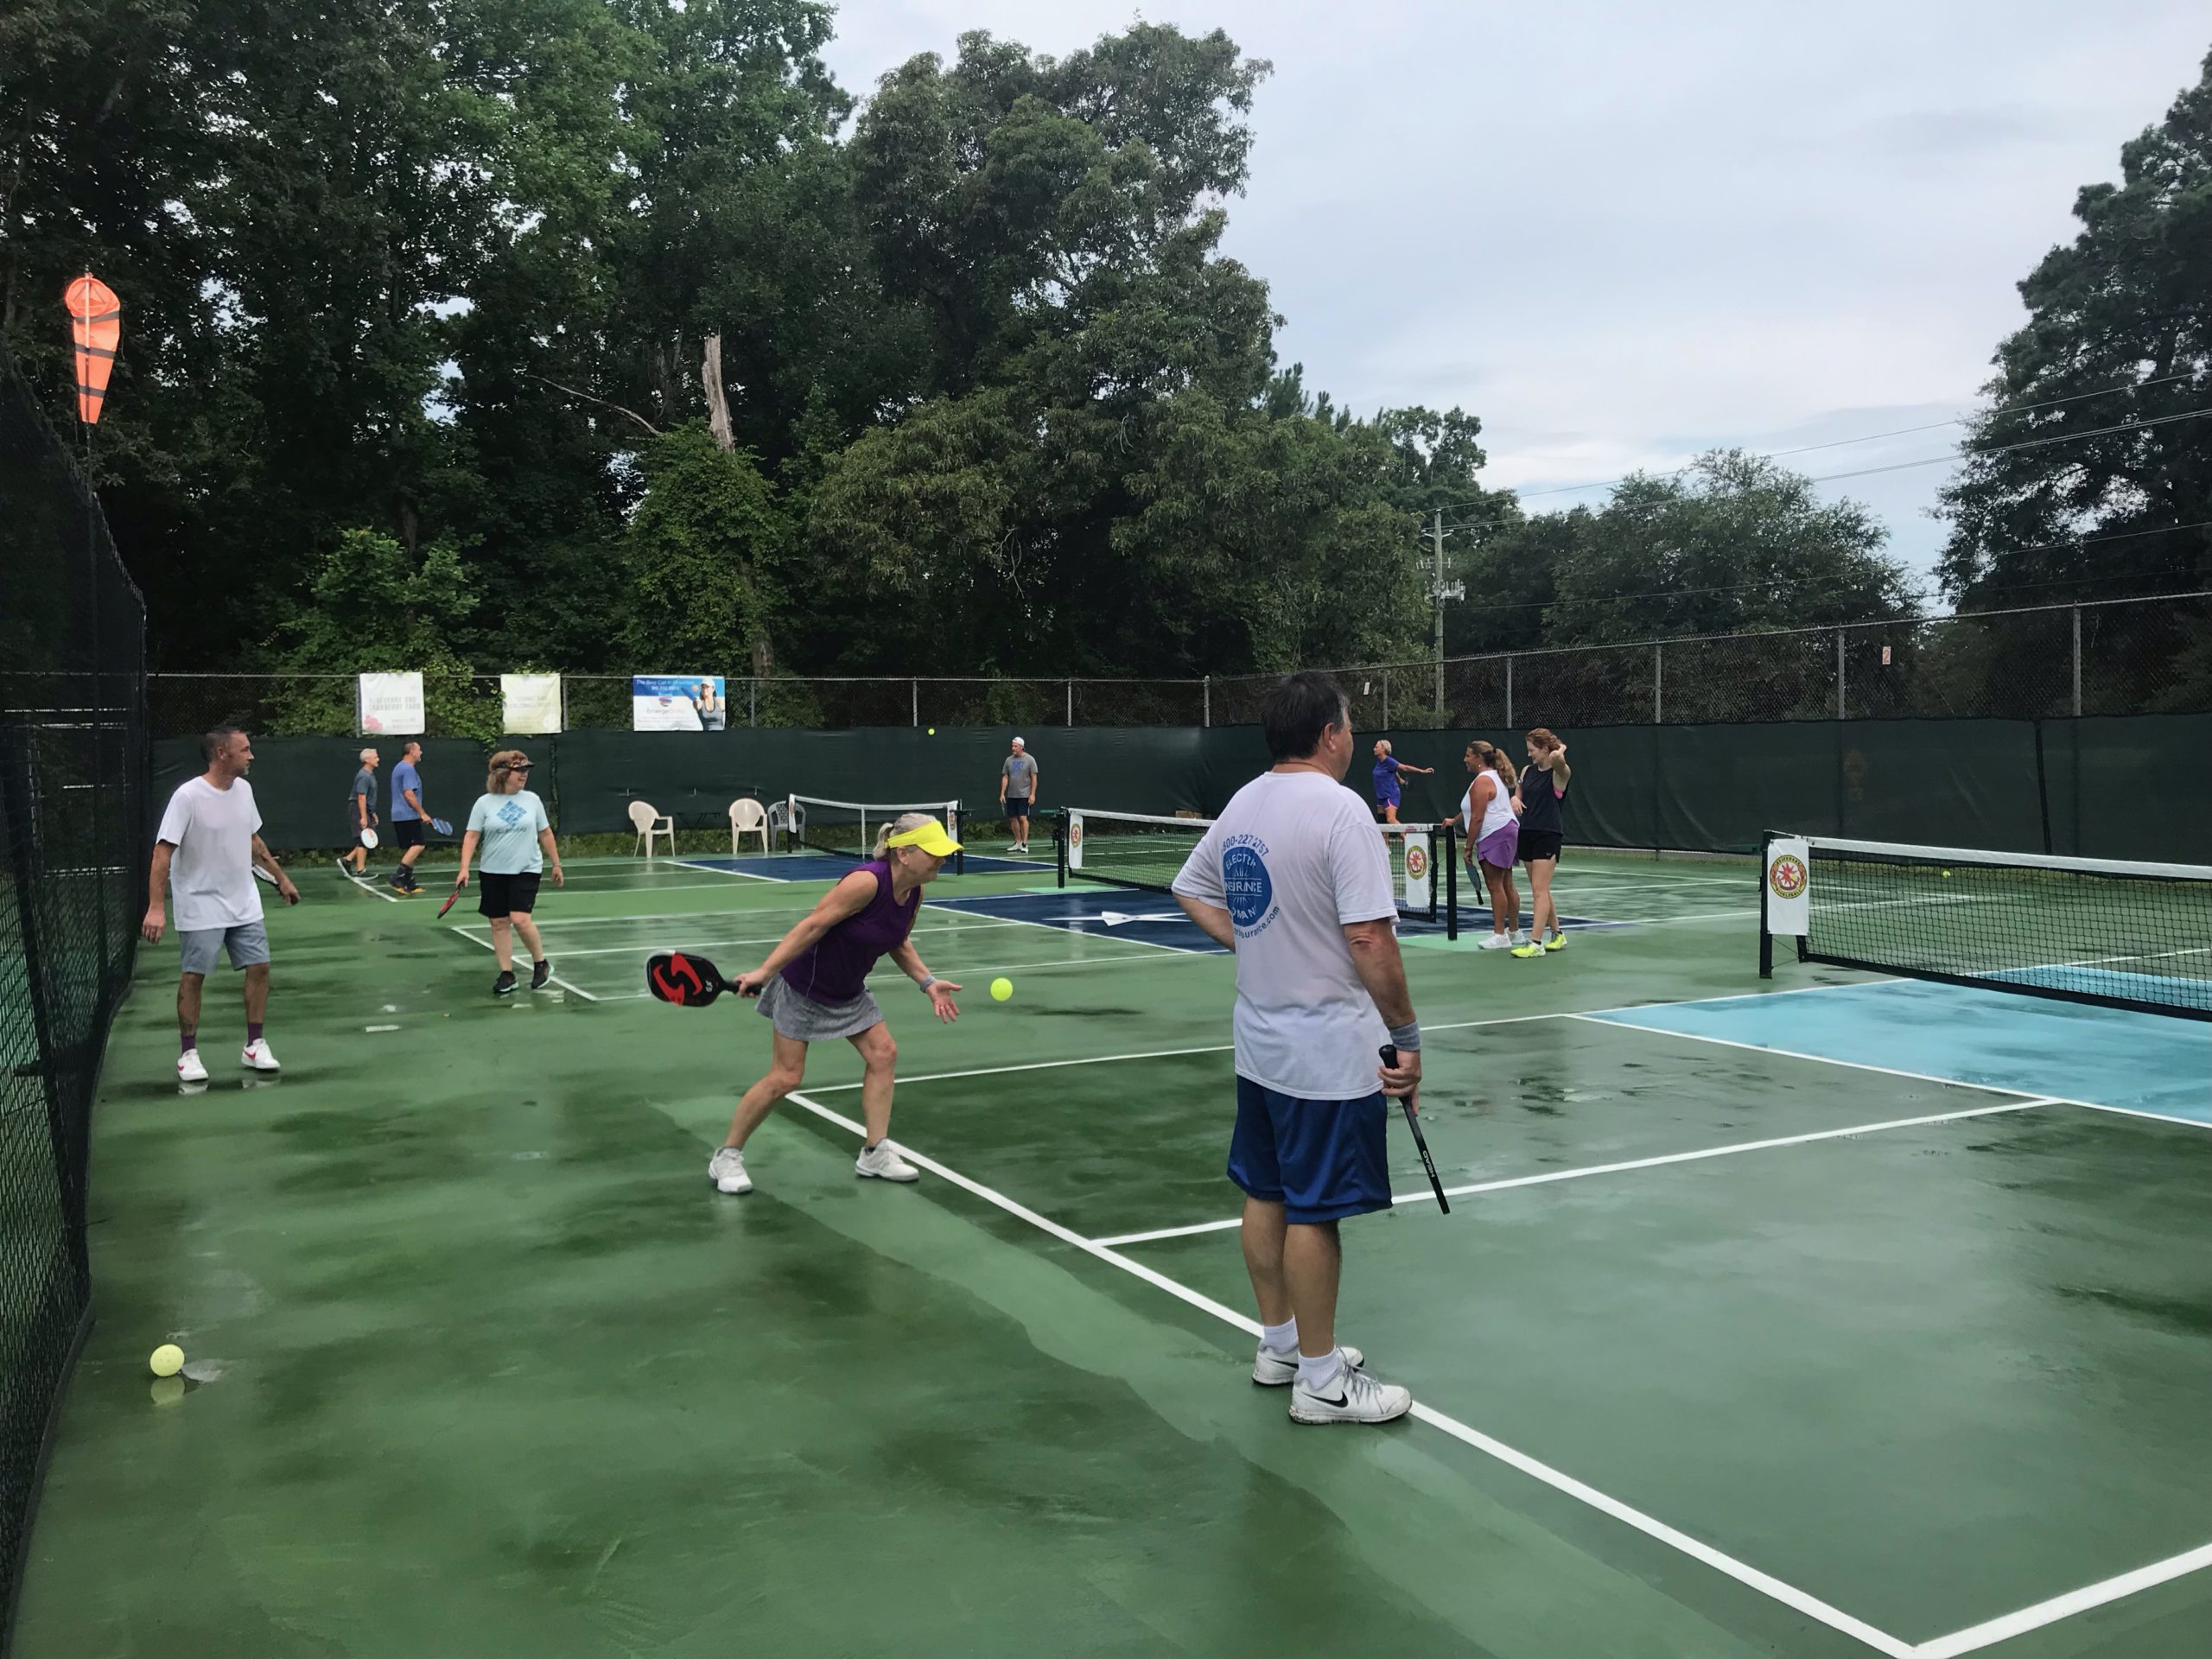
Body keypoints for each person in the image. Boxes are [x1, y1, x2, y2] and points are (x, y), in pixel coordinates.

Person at [1171, 671, 1424, 1427]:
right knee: (1316, 1211)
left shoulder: (1246, 801)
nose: (1351, 735)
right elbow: (1370, 937)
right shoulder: (1342, 811)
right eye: (1348, 724)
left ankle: (1280, 1346)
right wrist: (1407, 1037)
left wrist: (1252, 947)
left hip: (1261, 1043)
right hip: (1326, 1049)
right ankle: (1321, 1381)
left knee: (1268, 1191)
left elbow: (1192, 886)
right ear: (1329, 735)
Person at [707, 813, 965, 1196]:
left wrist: (927, 982)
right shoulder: (865, 883)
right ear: (905, 854)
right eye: (934, 853)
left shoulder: (913, 893)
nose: (942, 860)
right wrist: (764, 972)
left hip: (849, 990)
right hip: (805, 987)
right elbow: (812, 926)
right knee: (786, 1077)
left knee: (884, 1053)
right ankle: (726, 1156)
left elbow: (897, 940)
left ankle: (875, 1152)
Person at [141, 727, 299, 1082]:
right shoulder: (187, 797)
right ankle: (188, 1054)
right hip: (199, 904)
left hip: (243, 900)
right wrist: (155, 907)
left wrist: (281, 878)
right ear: (221, 754)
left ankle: (254, 1045)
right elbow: (162, 854)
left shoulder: (244, 790)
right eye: (244, 750)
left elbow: (253, 841)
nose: (251, 755)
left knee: (260, 967)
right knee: (194, 976)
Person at [454, 749, 565, 994]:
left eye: (526, 770)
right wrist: (464, 868)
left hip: (526, 869)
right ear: (503, 773)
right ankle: (507, 974)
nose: (524, 775)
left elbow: (545, 833)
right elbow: (472, 836)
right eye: (519, 770)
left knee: (520, 919)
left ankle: (541, 963)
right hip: (492, 871)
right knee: (498, 922)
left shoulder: (532, 800)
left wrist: (556, 864)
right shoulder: (484, 803)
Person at [1448, 741, 1524, 950]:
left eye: (1468, 755)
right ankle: (1515, 933)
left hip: (1495, 834)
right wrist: (1454, 821)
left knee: (1495, 885)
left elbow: (1477, 817)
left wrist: (1468, 847)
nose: (1465, 759)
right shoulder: (1493, 778)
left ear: (1479, 758)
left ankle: (1500, 935)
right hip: (1506, 831)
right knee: (1507, 883)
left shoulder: (1482, 781)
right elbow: (1472, 808)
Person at [1511, 728, 1573, 957]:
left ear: (1546, 748)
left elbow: (1559, 761)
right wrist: (1515, 798)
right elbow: (1519, 792)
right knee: (1541, 890)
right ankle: (1558, 935)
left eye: (1532, 750)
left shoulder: (1560, 774)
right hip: (1526, 832)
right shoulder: (1527, 771)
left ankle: (1535, 943)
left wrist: (1560, 750)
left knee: (1539, 890)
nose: (1529, 755)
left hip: (1548, 834)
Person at [387, 740, 431, 894]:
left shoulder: (399, 767)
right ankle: (397, 876)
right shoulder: (407, 769)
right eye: (419, 750)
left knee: (412, 848)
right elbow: (409, 794)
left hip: (400, 815)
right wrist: (422, 813)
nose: (421, 753)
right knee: (419, 844)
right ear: (411, 752)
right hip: (407, 814)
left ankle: (408, 881)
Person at [1369, 740, 1434, 824]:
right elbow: (1393, 771)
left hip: (1390, 795)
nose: (1374, 749)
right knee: (1383, 824)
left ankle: (1407, 837)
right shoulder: (1379, 762)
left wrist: (1422, 771)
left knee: (1391, 820)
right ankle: (1385, 838)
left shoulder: (1389, 761)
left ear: (1383, 749)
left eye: (1377, 747)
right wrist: (1400, 780)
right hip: (1381, 797)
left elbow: (1405, 768)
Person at [341, 747, 379, 877]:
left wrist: (372, 813)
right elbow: (361, 796)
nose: (378, 759)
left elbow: (367, 798)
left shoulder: (369, 775)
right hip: (358, 808)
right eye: (375, 757)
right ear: (367, 760)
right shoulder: (364, 776)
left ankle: (347, 860)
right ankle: (360, 870)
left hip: (364, 809)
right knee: (364, 838)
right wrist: (363, 817)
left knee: (366, 838)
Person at [999, 736, 1039, 854]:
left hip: (1024, 794)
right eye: (1012, 746)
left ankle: (1025, 844)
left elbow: (1034, 778)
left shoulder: (1030, 760)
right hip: (1012, 794)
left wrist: (1032, 794)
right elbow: (1005, 777)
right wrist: (1002, 793)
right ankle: (1018, 841)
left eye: (1015, 746)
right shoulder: (1008, 760)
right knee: (1013, 818)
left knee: (1022, 818)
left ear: (1021, 747)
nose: (1013, 748)